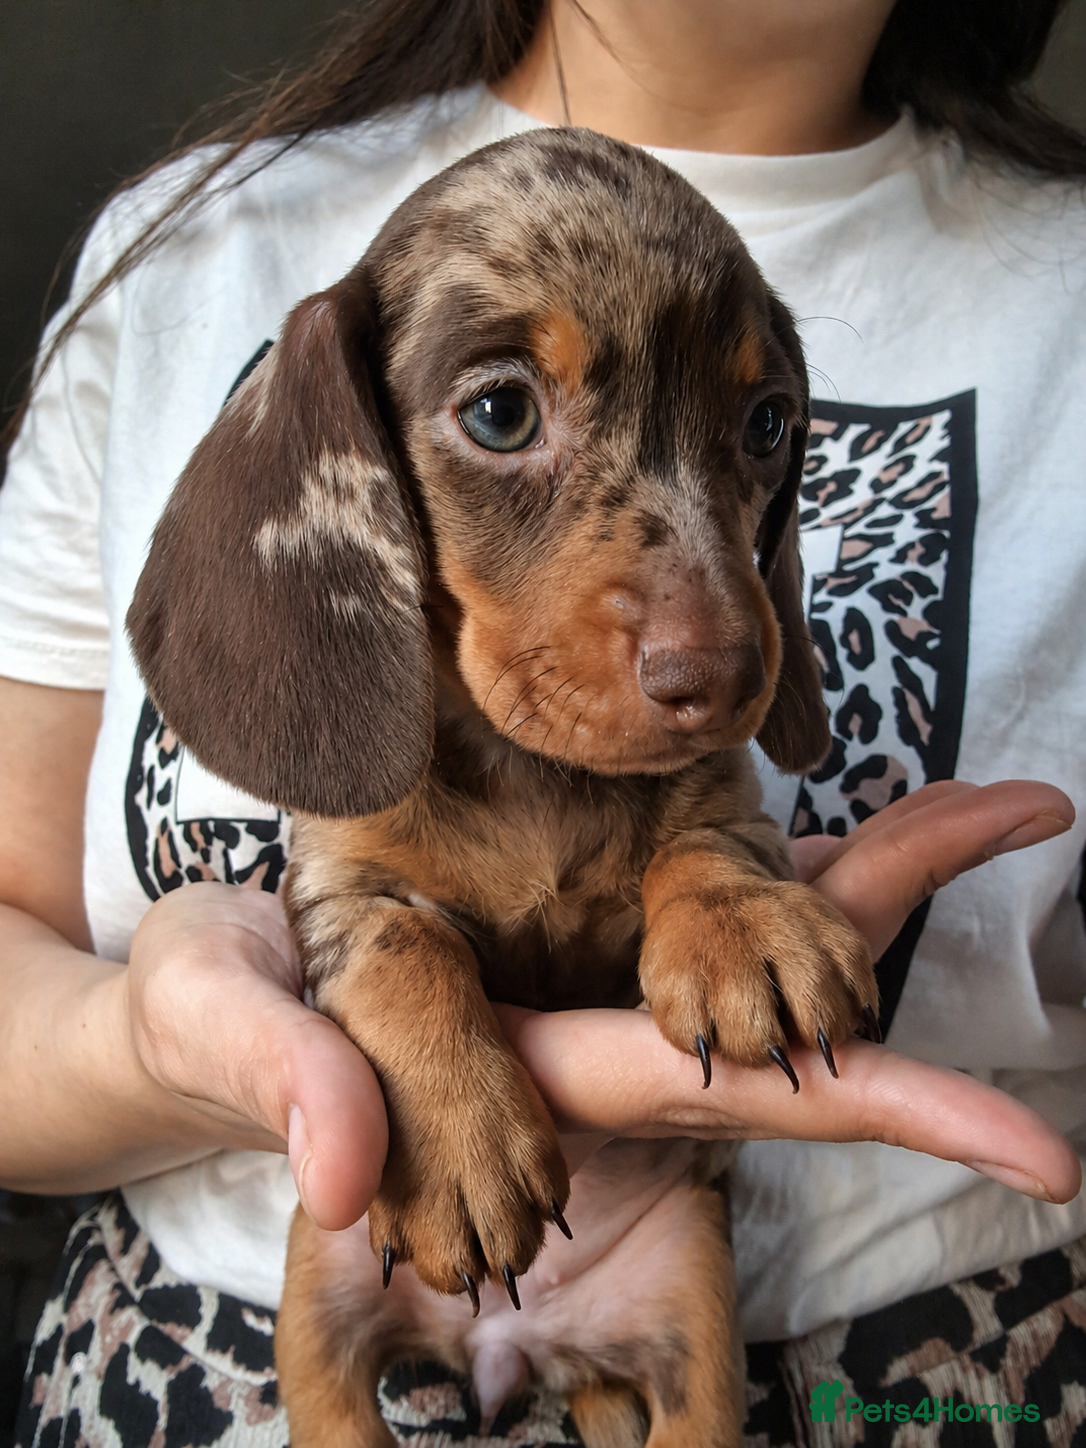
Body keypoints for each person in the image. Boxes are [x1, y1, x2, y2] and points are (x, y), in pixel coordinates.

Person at [2, 1, 1084, 1442]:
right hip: (222, 1363)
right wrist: (185, 1055)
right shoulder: (190, 245)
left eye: (757, 432)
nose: (702, 639)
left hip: (908, 1366)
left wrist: (713, 881)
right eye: (504, 415)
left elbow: (713, 808)